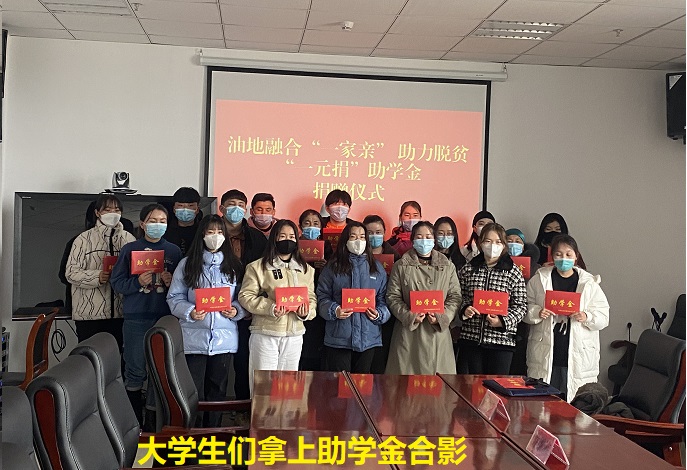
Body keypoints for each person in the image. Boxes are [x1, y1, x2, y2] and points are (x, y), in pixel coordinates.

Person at [167, 214, 246, 427]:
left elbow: (243, 297)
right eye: (211, 232)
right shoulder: (187, 264)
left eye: (219, 232)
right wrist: (190, 311)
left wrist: (236, 310)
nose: (215, 236)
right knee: (194, 391)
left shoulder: (234, 265)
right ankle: (193, 433)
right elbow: (174, 297)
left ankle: (214, 433)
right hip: (193, 338)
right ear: (202, 234)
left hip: (224, 339)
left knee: (218, 391)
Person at [110, 203, 182, 427]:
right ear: (142, 224)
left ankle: (152, 424)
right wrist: (136, 282)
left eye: (162, 221)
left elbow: (183, 288)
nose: (157, 225)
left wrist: (171, 283)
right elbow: (117, 283)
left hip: (164, 318)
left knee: (159, 372)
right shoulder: (130, 249)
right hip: (136, 317)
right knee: (135, 370)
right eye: (153, 221)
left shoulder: (173, 251)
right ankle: (132, 423)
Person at [524, 234, 609, 401]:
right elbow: (524, 308)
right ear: (552, 256)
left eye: (568, 254)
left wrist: (587, 316)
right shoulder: (539, 279)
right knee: (543, 402)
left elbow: (603, 316)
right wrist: (537, 312)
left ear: (576, 256)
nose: (564, 258)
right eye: (559, 254)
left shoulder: (589, 283)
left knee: (574, 404)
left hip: (578, 353)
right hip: (545, 350)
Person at [238, 219, 317, 394]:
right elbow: (245, 296)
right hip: (266, 333)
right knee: (263, 387)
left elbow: (311, 298)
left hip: (294, 334)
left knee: (288, 388)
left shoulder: (306, 269)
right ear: (274, 238)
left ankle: (285, 414)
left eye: (291, 237)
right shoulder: (257, 267)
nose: (287, 240)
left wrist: (306, 312)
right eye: (282, 236)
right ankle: (261, 413)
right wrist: (270, 307)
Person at [385, 221, 462, 375]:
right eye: (419, 237)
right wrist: (409, 315)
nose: (424, 240)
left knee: (437, 384)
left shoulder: (447, 266)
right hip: (409, 332)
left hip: (437, 333)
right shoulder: (401, 266)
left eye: (428, 236)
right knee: (405, 385)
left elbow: (455, 296)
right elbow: (393, 297)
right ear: (413, 240)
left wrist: (442, 317)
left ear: (434, 239)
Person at [316, 221, 391, 373]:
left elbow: (384, 299)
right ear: (345, 240)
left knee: (362, 384)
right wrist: (334, 310)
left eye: (362, 237)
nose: (358, 241)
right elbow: (322, 296)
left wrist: (380, 314)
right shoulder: (333, 267)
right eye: (353, 236)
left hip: (368, 338)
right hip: (339, 337)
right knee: (339, 384)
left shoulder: (377, 268)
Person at [65, 195, 136, 348]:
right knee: (89, 356)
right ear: (97, 213)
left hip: (121, 312)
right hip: (90, 314)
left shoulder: (129, 239)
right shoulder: (83, 240)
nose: (113, 213)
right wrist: (97, 276)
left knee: (117, 356)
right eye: (108, 210)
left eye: (117, 210)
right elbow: (70, 273)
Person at [456, 222, 527, 375]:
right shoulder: (469, 269)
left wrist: (502, 321)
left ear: (504, 245)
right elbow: (459, 296)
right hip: (471, 339)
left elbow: (521, 306)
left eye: (498, 242)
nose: (492, 246)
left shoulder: (513, 272)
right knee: (471, 385)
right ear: (480, 243)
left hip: (501, 342)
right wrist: (465, 309)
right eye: (488, 241)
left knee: (496, 386)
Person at [218, 189, 268, 403]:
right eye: (231, 204)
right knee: (218, 365)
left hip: (248, 308)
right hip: (217, 308)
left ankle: (242, 408)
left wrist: (252, 304)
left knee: (244, 360)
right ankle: (214, 411)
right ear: (222, 208)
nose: (236, 209)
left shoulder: (257, 237)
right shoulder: (211, 233)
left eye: (241, 205)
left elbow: (266, 273)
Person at [363, 214, 400, 374]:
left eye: (378, 232)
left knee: (382, 362)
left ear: (384, 232)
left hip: (388, 312)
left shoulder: (396, 257)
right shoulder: (356, 256)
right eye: (369, 233)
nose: (374, 236)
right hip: (363, 312)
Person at [297, 209, 333, 371]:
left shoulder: (327, 246)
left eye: (316, 223)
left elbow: (334, 273)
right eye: (307, 223)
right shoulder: (294, 246)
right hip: (299, 300)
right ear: (300, 226)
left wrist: (325, 267)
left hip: (320, 300)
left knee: (316, 346)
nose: (312, 227)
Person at [505, 227, 541, 376]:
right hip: (502, 319)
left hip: (525, 323)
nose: (513, 244)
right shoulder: (497, 263)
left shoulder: (536, 268)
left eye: (517, 241)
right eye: (509, 241)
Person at [164, 187, 202, 256]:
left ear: (197, 209)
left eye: (190, 206)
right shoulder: (164, 230)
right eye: (180, 205)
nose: (185, 209)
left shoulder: (203, 230)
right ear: (174, 209)